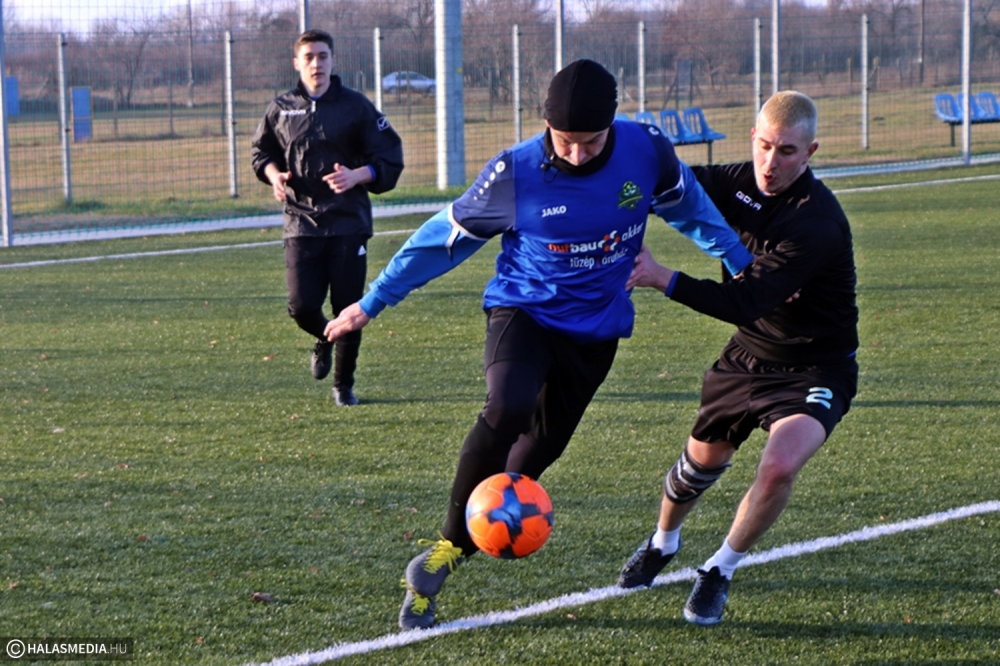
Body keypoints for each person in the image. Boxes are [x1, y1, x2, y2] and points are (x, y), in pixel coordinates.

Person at [323, 59, 754, 630]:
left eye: (591, 141)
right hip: (522, 312)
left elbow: (692, 210)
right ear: (546, 125)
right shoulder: (515, 171)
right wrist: (371, 302)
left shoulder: (647, 150)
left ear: (614, 125)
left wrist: (742, 264)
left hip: (595, 332)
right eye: (565, 141)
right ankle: (442, 555)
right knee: (508, 406)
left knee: (530, 466)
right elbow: (439, 242)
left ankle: (460, 544)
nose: (576, 153)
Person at [616, 91, 859, 627]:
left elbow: (742, 300)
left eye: (789, 152)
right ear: (753, 138)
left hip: (816, 367)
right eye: (766, 147)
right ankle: (663, 542)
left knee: (777, 469)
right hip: (748, 354)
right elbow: (666, 182)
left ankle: (719, 570)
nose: (772, 164)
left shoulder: (815, 224)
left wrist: (664, 278)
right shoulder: (738, 181)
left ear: (811, 151)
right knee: (697, 468)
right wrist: (615, 184)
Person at [250, 29, 404, 406]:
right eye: (309, 57)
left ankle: (343, 386)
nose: (316, 64)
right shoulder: (281, 108)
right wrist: (275, 176)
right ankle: (325, 337)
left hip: (347, 221)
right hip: (300, 221)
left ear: (333, 61)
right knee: (302, 307)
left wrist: (357, 175)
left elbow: (390, 158)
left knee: (348, 305)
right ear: (296, 62)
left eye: (322, 56)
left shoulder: (356, 107)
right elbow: (261, 153)